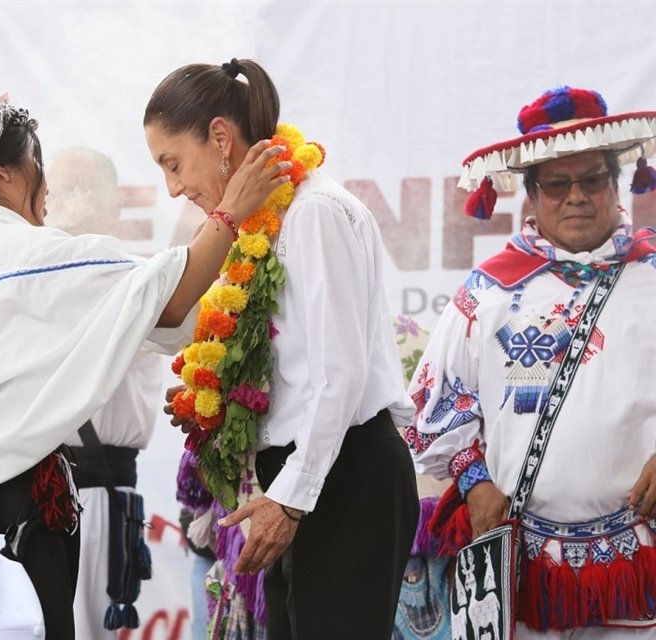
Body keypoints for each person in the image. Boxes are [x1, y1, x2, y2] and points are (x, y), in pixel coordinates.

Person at [0, 100, 289, 639]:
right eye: (40, 163)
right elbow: (172, 299)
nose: (52, 188)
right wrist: (232, 211)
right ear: (4, 172)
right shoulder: (24, 253)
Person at [146, 58, 420, 638]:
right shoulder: (259, 225)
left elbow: (337, 374)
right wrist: (217, 394)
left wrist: (291, 500)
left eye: (173, 163)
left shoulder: (314, 211)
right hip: (300, 475)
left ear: (220, 137)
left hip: (343, 472)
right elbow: (290, 365)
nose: (173, 187)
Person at [404, 86, 656, 638]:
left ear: (616, 187)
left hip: (641, 559)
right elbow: (438, 408)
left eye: (592, 180)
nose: (577, 197)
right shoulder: (490, 290)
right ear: (532, 196)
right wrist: (474, 483)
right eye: (558, 184)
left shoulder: (653, 274)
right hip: (520, 565)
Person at [45, 150, 166, 638]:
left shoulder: (134, 278)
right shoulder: (37, 279)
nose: (70, 203)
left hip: (97, 494)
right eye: (60, 191)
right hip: (34, 494)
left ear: (113, 203)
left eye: (84, 189)